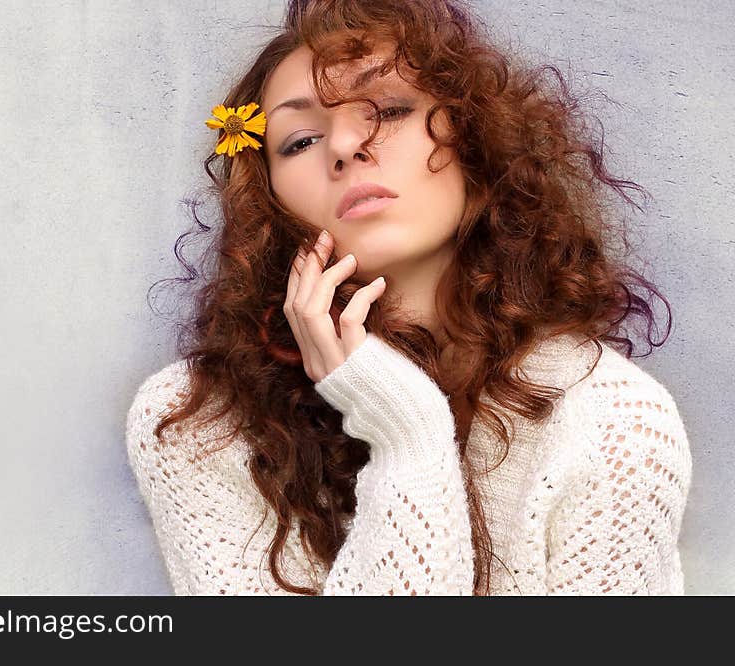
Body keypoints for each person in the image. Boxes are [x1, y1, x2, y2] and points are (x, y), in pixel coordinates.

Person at [124, 0, 693, 595]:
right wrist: (408, 440)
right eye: (298, 141)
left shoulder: (615, 424)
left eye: (389, 109)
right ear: (267, 200)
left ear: (474, 146)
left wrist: (405, 428)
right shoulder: (195, 421)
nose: (343, 145)